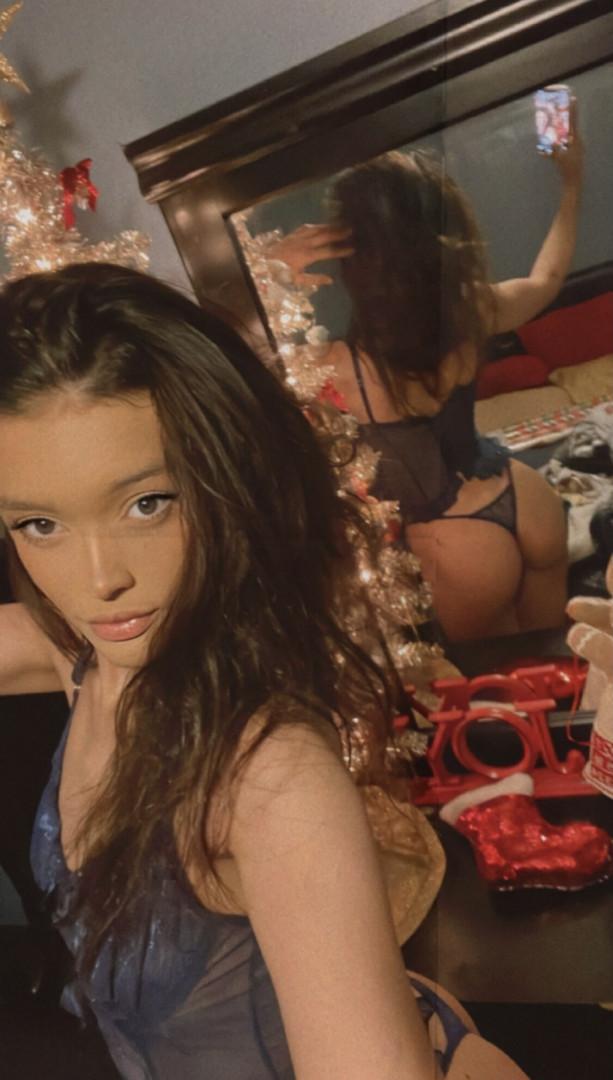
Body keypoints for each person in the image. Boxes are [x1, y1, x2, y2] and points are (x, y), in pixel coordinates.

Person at [0, 263, 531, 1080]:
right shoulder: (91, 660)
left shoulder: (265, 779)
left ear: (227, 481)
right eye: (41, 524)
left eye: (148, 503)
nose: (98, 580)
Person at [272, 113, 583, 642]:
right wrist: (572, 182)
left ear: (355, 263)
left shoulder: (330, 365)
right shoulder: (474, 310)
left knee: (475, 683)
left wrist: (271, 270)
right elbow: (547, 280)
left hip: (448, 551)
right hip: (524, 499)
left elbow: (220, 364)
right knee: (549, 665)